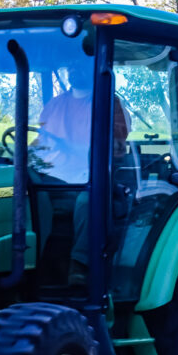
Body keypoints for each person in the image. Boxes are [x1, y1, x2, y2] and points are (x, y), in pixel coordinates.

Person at [33, 65, 131, 285]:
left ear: (97, 67)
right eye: (71, 65)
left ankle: (80, 266)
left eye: (82, 63)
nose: (75, 69)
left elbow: (115, 145)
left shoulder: (109, 105)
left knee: (88, 200)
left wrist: (74, 147)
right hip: (49, 178)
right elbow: (39, 142)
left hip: (88, 178)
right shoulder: (54, 105)